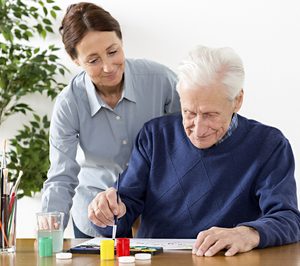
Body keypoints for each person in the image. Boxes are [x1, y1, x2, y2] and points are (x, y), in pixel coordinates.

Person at [88, 45, 300, 256]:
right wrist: (106, 213)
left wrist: (248, 233)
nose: (198, 130)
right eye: (188, 112)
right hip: (155, 260)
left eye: (210, 115)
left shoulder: (269, 145)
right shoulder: (155, 135)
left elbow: (288, 218)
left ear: (237, 100)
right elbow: (122, 211)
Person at [41, 2, 180, 238]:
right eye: (93, 60)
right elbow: (62, 174)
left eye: (113, 51)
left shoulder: (162, 81)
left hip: (157, 216)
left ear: (121, 41)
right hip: (95, 218)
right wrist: (48, 232)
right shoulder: (69, 103)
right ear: (75, 59)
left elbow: (188, 144)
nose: (108, 67)